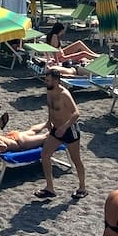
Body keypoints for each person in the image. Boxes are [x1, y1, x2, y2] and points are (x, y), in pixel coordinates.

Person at [36, 69, 87, 200]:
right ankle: (50, 188)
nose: (45, 82)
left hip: (69, 129)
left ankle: (82, 188)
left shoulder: (64, 94)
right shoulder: (49, 90)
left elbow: (76, 113)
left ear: (56, 81)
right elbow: (50, 107)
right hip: (56, 129)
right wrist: (48, 121)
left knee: (76, 160)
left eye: (48, 80)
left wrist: (64, 127)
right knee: (45, 155)